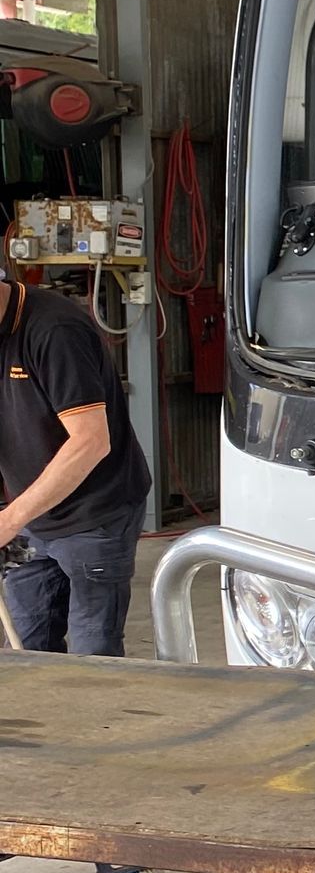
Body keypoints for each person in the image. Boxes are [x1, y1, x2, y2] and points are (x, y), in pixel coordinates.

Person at [0, 267, 150, 657]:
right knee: (27, 648)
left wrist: (10, 518)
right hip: (28, 514)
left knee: (92, 656)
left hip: (94, 513)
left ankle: (99, 720)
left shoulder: (54, 330)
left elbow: (90, 441)